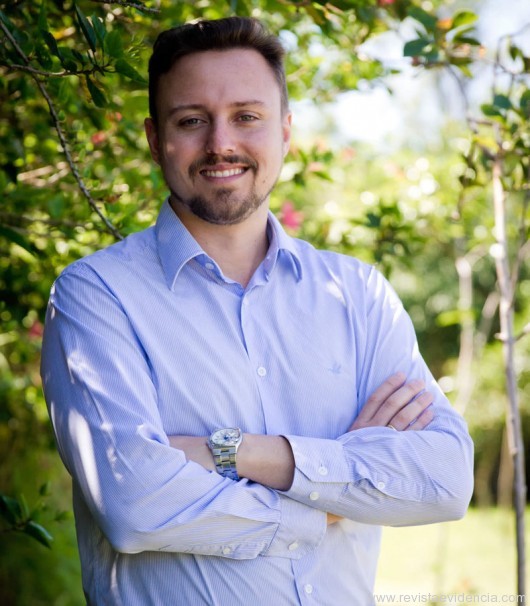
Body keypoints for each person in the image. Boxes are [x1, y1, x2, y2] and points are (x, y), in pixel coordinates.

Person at [41, 16, 474, 606]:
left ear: (286, 131)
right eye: (191, 121)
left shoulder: (358, 295)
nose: (221, 143)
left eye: (247, 116)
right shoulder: (96, 295)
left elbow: (444, 479)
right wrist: (328, 500)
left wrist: (235, 452)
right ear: (152, 137)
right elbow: (134, 503)